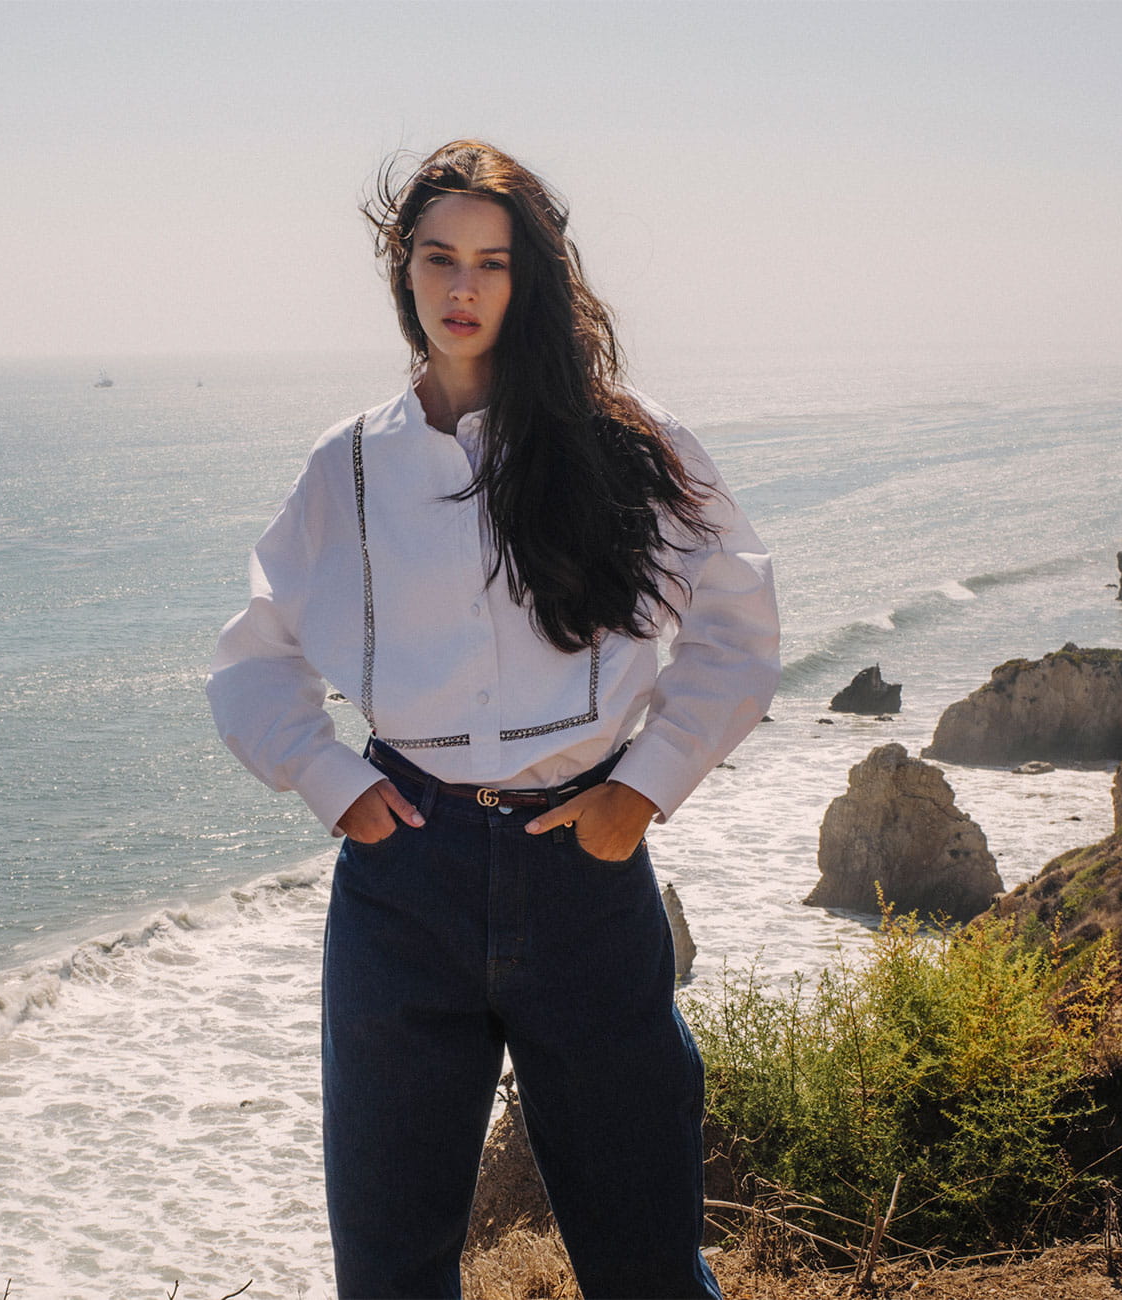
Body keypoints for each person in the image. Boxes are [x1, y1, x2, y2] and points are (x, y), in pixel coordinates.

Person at [207, 140, 780, 1299]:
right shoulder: (348, 464)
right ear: (401, 269)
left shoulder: (628, 440)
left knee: (646, 1262)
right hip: (402, 883)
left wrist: (641, 787)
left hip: (581, 872)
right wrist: (332, 783)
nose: (461, 290)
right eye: (437, 260)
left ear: (532, 279)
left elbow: (738, 620)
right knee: (389, 1268)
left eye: (492, 263)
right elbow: (253, 655)